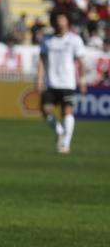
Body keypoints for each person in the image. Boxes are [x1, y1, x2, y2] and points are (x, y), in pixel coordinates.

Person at [36, 12, 87, 154]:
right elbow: (41, 61)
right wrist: (39, 79)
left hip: (68, 83)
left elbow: (81, 62)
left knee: (67, 112)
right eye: (57, 19)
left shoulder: (74, 40)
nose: (60, 22)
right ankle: (59, 131)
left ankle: (65, 144)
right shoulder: (47, 39)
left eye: (62, 19)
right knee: (45, 111)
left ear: (67, 21)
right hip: (51, 82)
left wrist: (82, 80)